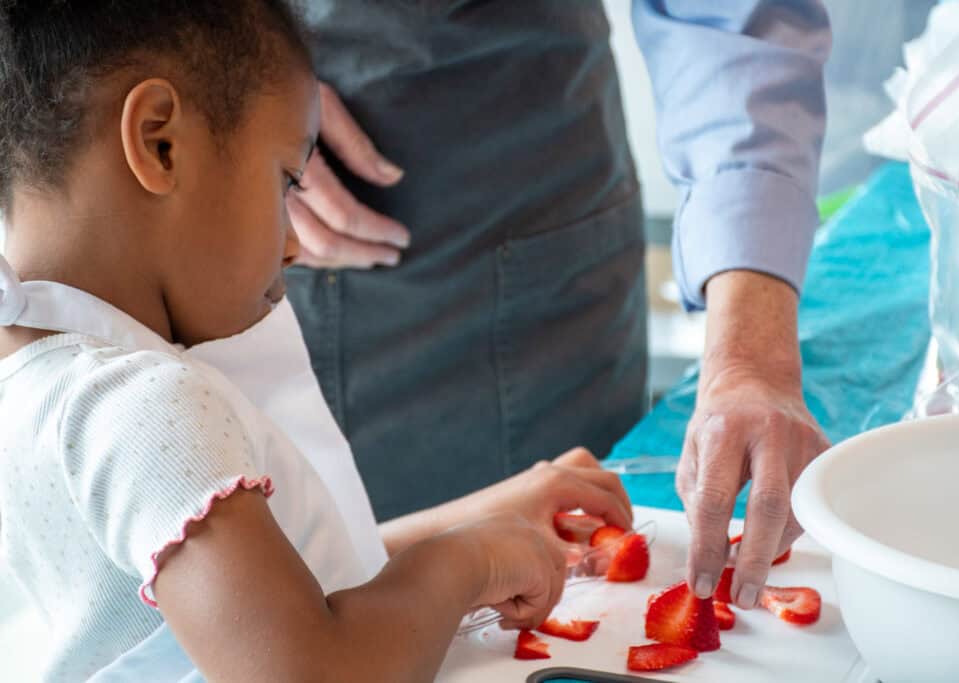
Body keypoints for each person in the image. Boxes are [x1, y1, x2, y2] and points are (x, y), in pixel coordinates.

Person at [0, 2, 632, 680]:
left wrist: (482, 517)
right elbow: (314, 666)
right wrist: (468, 560)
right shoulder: (146, 407)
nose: (297, 243)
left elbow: (283, 589)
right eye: (284, 180)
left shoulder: (41, 369)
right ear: (161, 142)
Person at [287, 1, 833, 614]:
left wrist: (748, 357)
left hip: (541, 255)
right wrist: (229, 103)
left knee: (592, 606)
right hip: (250, 231)